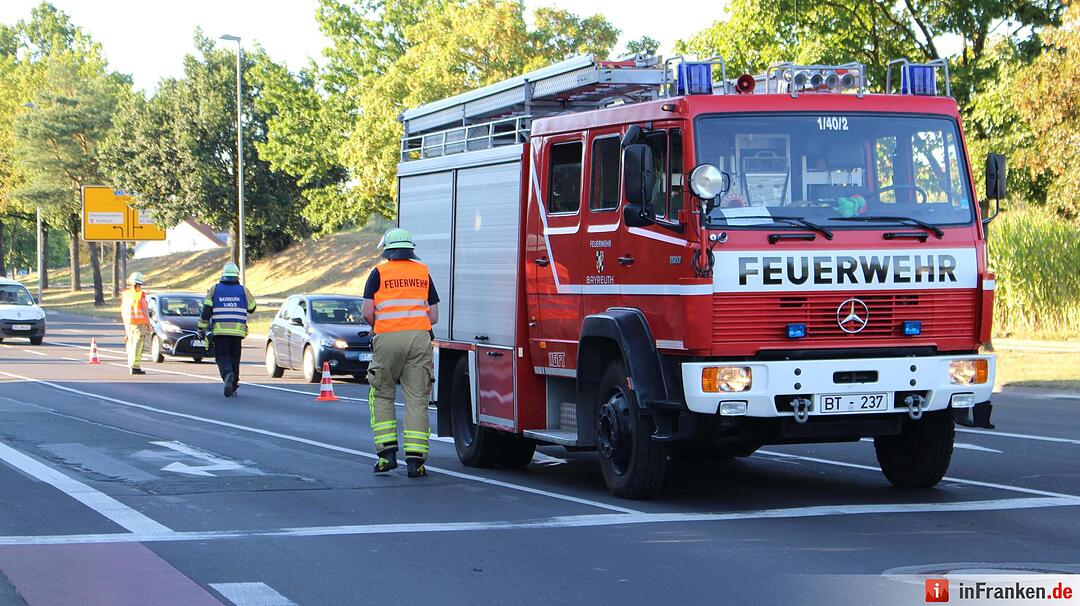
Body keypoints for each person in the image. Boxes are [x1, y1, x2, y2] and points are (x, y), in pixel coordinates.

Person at [362, 228, 439, 478]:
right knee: (417, 399)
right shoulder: (423, 273)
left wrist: (381, 327)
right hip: (420, 339)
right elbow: (434, 315)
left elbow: (366, 312)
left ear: (387, 251)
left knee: (382, 393)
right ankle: (416, 462)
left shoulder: (378, 273)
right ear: (410, 250)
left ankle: (386, 456)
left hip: (387, 338)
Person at [197, 263, 256, 397]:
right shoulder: (243, 290)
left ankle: (227, 375)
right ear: (237, 276)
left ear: (223, 275)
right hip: (238, 332)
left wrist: (201, 328)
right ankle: (233, 386)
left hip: (220, 332)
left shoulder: (214, 289)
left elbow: (206, 311)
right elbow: (252, 307)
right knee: (235, 358)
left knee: (222, 356)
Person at [121, 272, 150, 375]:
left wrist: (125, 324)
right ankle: (135, 366)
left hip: (128, 323)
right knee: (139, 345)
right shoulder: (141, 294)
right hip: (139, 323)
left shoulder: (125, 294)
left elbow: (123, 309)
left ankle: (131, 365)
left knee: (130, 344)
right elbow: (145, 309)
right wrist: (149, 323)